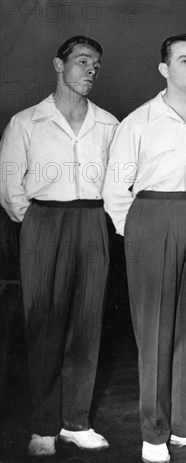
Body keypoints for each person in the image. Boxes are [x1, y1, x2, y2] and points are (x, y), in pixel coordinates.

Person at [102, 34, 186, 462]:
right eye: (185, 60)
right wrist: (136, 233)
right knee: (155, 330)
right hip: (151, 217)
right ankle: (154, 434)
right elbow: (115, 188)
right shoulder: (138, 121)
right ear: (164, 70)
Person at [0, 35, 117, 457]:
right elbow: (11, 188)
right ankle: (44, 424)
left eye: (96, 65)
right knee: (44, 325)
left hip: (92, 221)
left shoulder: (108, 124)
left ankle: (76, 421)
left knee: (87, 324)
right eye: (82, 61)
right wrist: (35, 224)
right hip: (43, 221)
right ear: (58, 64)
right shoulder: (26, 121)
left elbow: (117, 182)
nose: (91, 70)